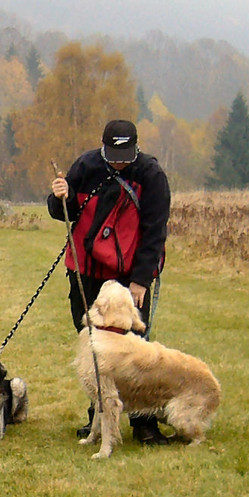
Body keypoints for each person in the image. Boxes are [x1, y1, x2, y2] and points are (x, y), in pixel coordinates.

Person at [48, 119, 172, 445]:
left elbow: (155, 232)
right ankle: (99, 421)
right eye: (114, 154)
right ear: (103, 147)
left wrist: (141, 281)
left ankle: (144, 424)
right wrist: (60, 195)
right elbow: (63, 211)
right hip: (86, 271)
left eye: (126, 154)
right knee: (94, 349)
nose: (120, 161)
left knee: (135, 352)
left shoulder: (151, 175)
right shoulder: (87, 165)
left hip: (129, 275)